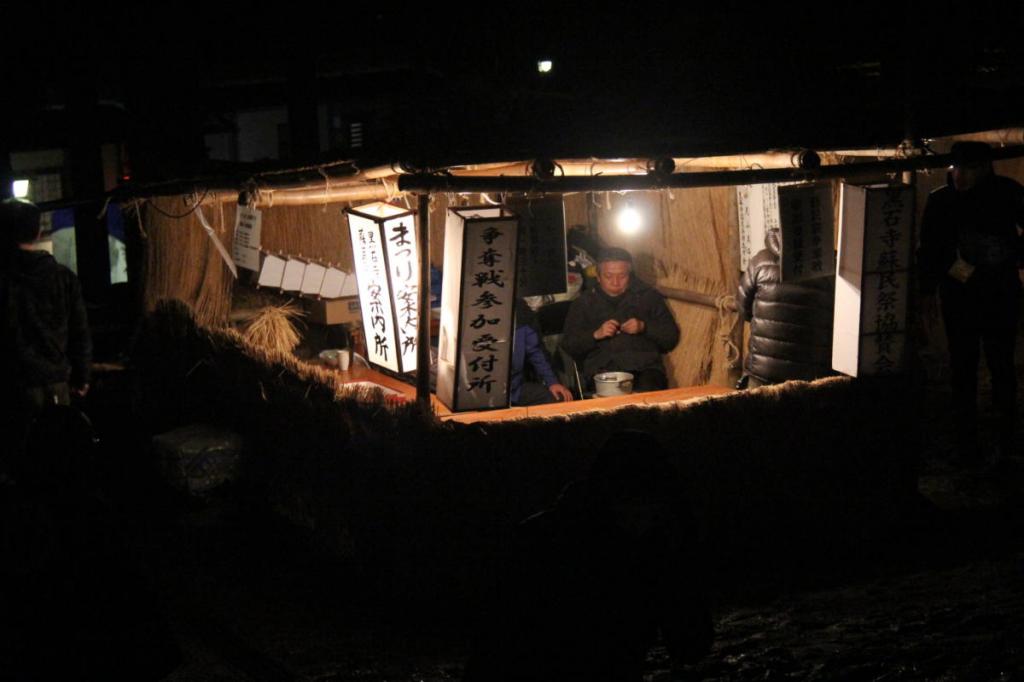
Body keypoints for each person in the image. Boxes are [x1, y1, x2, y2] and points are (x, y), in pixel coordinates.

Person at [463, 430, 713, 681]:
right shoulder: (639, 552)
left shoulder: (537, 537)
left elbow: (690, 646)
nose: (644, 517)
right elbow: (690, 645)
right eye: (640, 507)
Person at [918, 141, 1024, 460]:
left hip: (999, 293)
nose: (960, 176)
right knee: (962, 367)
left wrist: (1010, 253)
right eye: (956, 168)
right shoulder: (941, 200)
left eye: (969, 169)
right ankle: (966, 440)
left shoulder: (1007, 192)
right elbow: (929, 250)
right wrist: (927, 293)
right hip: (959, 297)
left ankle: (1007, 437)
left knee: (1001, 365)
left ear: (985, 169)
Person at [560, 247, 680, 393]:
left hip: (645, 370)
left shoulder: (648, 297)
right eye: (608, 276)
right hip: (603, 371)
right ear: (598, 276)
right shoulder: (583, 303)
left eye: (622, 276)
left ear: (630, 275)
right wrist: (595, 335)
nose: (615, 282)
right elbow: (569, 345)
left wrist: (644, 327)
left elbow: (671, 338)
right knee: (612, 402)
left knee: (648, 397)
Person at [736, 228, 835, 387]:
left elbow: (743, 309)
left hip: (762, 371)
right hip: (810, 378)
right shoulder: (831, 265)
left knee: (757, 411)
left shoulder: (760, 261)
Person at [511, 300, 574, 405]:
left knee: (558, 397)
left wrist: (552, 382)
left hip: (515, 389)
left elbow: (536, 352)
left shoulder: (520, 312)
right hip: (481, 391)